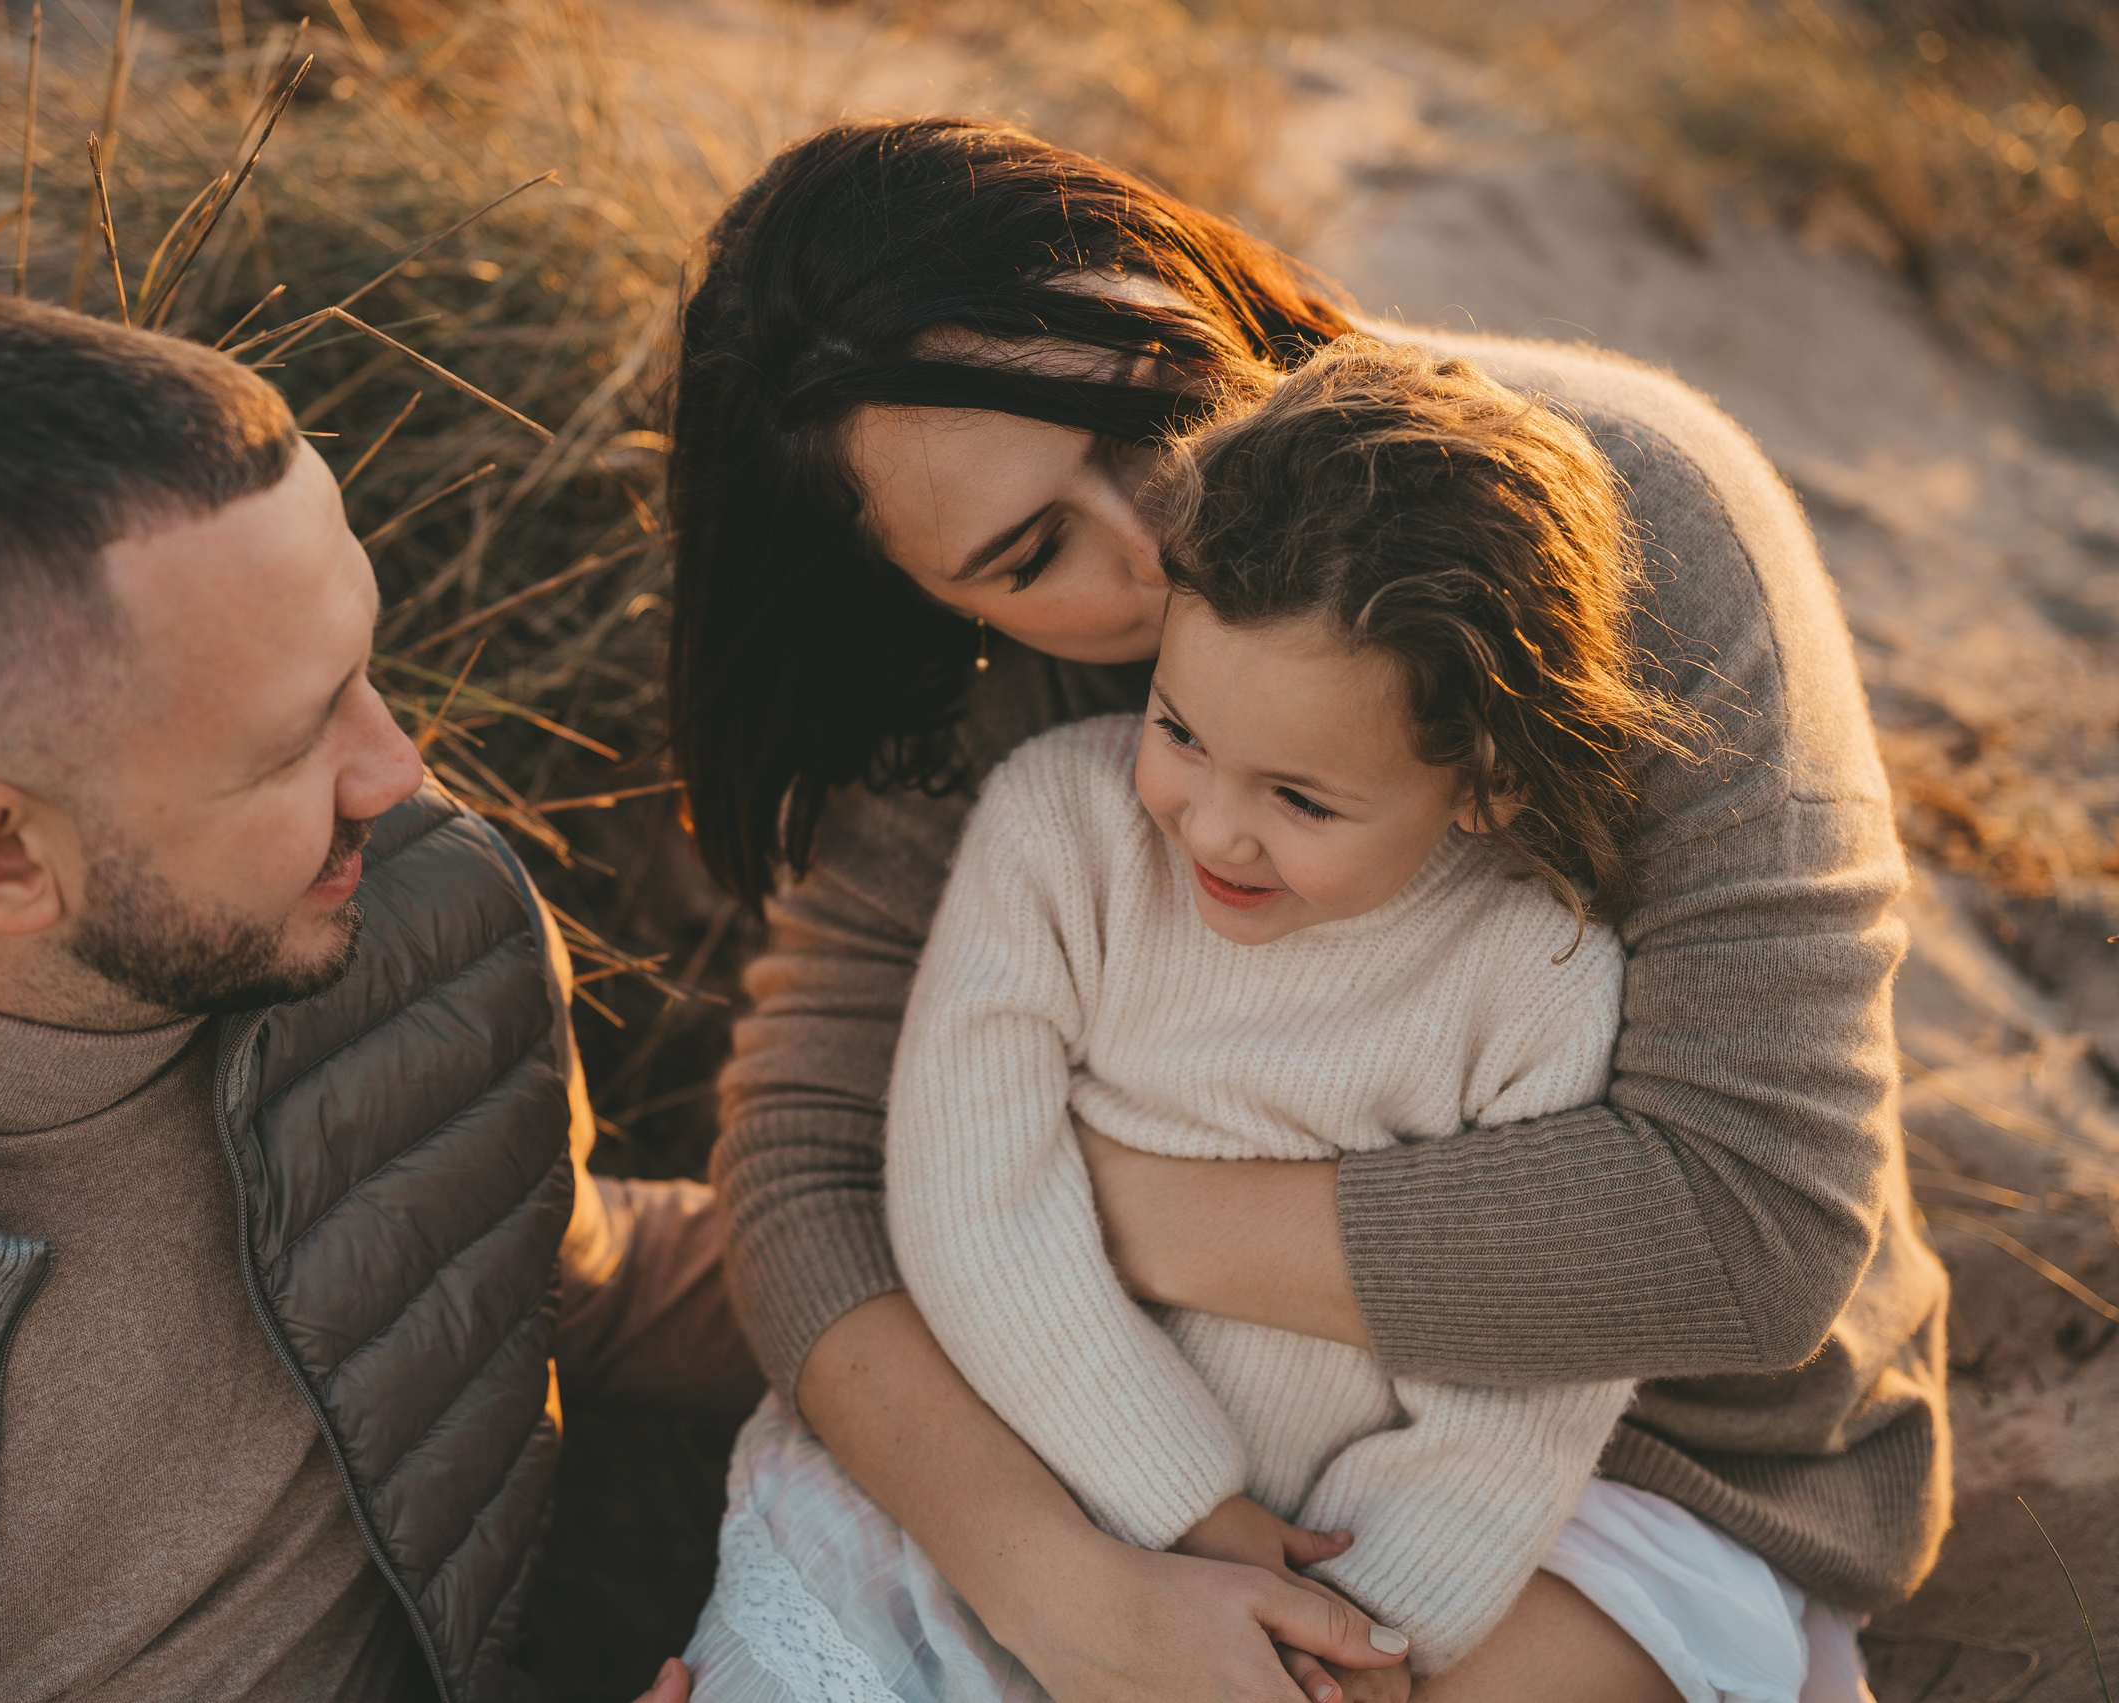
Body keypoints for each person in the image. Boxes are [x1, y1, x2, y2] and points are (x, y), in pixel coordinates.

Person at [668, 119, 1949, 1701]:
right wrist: (1063, 1584)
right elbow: (806, 1165)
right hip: (1085, 1400)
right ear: (923, 595)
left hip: (1634, 1446)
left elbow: (1747, 1229)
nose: (1151, 544)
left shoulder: (1619, 524)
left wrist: (1052, 1190)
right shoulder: (981, 707)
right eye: (1029, 552)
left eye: (1138, 413)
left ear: (1184, 280)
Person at [0, 294, 740, 1702]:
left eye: (367, 664)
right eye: (293, 743)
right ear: (1, 859)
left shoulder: (415, 906)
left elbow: (554, 1274)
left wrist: (1003, 1255)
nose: (400, 774)